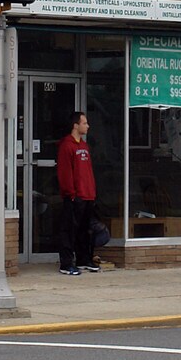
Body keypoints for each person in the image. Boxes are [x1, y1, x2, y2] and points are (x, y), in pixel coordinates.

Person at [55, 110, 99, 275]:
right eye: (84, 123)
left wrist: (92, 192)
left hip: (88, 195)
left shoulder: (84, 146)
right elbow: (65, 172)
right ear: (76, 125)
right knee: (69, 230)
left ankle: (84, 259)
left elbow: (87, 172)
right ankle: (66, 264)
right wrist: (71, 193)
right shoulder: (67, 146)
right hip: (74, 196)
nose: (87, 126)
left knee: (84, 230)